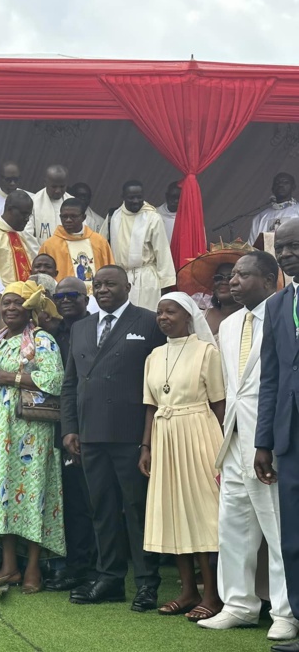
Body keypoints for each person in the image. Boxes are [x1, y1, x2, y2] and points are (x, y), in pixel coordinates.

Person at [200, 251, 298, 640]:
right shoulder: (228, 324)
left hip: (271, 439)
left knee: (279, 529)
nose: (232, 281)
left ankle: (287, 612)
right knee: (233, 526)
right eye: (231, 276)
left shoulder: (284, 311)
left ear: (270, 277)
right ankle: (239, 605)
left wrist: (268, 442)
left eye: (243, 275)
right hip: (235, 437)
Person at [61, 266, 165, 610]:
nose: (103, 289)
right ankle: (109, 579)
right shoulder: (81, 327)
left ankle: (148, 583)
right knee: (101, 508)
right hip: (90, 434)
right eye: (98, 285)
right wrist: (70, 428)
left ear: (128, 286)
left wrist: (150, 438)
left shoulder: (149, 322)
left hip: (131, 434)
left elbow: (159, 380)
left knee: (136, 509)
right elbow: (70, 384)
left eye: (110, 284)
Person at [0, 281, 65, 592]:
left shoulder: (41, 339)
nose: (10, 308)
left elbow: (54, 379)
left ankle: (33, 568)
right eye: (7, 302)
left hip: (30, 433)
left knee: (32, 494)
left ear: (30, 308)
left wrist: (11, 377)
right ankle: (9, 566)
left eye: (17, 303)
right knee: (5, 495)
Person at [138, 293, 225, 620]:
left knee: (203, 514)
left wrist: (217, 447)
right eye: (159, 312)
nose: (163, 317)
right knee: (173, 512)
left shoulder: (207, 352)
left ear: (188, 317)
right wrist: (145, 447)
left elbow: (219, 404)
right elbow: (151, 406)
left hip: (200, 434)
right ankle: (188, 591)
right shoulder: (154, 355)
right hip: (165, 438)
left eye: (170, 312)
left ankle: (212, 595)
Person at [255, 219, 299, 652]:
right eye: (280, 248)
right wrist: (262, 441)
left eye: (293, 246)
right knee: (293, 535)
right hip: (289, 438)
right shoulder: (277, 305)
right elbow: (270, 378)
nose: (286, 254)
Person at [44, 277, 96, 593]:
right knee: (70, 501)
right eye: (59, 296)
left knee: (94, 501)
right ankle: (75, 567)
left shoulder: (95, 328)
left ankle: (97, 568)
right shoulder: (52, 335)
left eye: (71, 295)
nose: (64, 300)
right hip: (60, 427)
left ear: (85, 298)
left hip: (94, 423)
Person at [101, 181, 176, 311]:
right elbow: (101, 245)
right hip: (120, 278)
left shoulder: (153, 218)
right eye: (131, 197)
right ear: (123, 197)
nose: (136, 201)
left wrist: (165, 285)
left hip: (146, 278)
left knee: (147, 317)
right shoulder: (113, 217)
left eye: (139, 197)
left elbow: (162, 252)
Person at [39, 198, 115, 293]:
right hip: (64, 299)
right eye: (64, 217)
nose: (68, 220)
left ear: (83, 217)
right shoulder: (50, 245)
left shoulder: (99, 242)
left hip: (96, 298)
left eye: (73, 216)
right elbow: (43, 277)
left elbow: (110, 271)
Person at [176, 242, 252, 338]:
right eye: (218, 277)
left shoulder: (250, 319)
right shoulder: (200, 317)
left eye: (230, 277)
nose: (223, 282)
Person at [249, 172, 299, 245]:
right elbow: (252, 247)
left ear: (293, 187)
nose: (280, 185)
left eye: (286, 182)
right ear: (272, 188)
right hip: (266, 256)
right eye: (277, 183)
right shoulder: (260, 217)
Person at [29, 165, 73, 244]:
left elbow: (80, 232)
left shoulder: (73, 204)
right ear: (45, 183)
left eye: (62, 186)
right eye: (54, 186)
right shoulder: (33, 203)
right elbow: (28, 235)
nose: (58, 191)